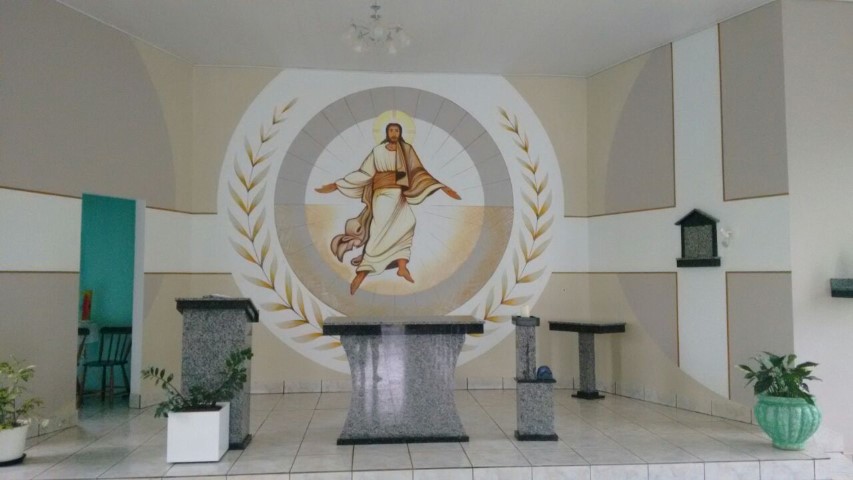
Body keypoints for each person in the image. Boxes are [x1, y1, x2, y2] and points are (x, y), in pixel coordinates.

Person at [316, 123, 460, 295]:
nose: (394, 133)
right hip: (382, 195)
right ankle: (361, 274)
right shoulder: (378, 151)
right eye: (391, 130)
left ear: (400, 132)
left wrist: (442, 187)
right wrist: (337, 185)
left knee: (408, 222)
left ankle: (402, 267)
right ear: (386, 132)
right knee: (380, 232)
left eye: (397, 130)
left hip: (399, 195)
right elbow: (364, 173)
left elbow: (419, 172)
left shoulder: (406, 150)